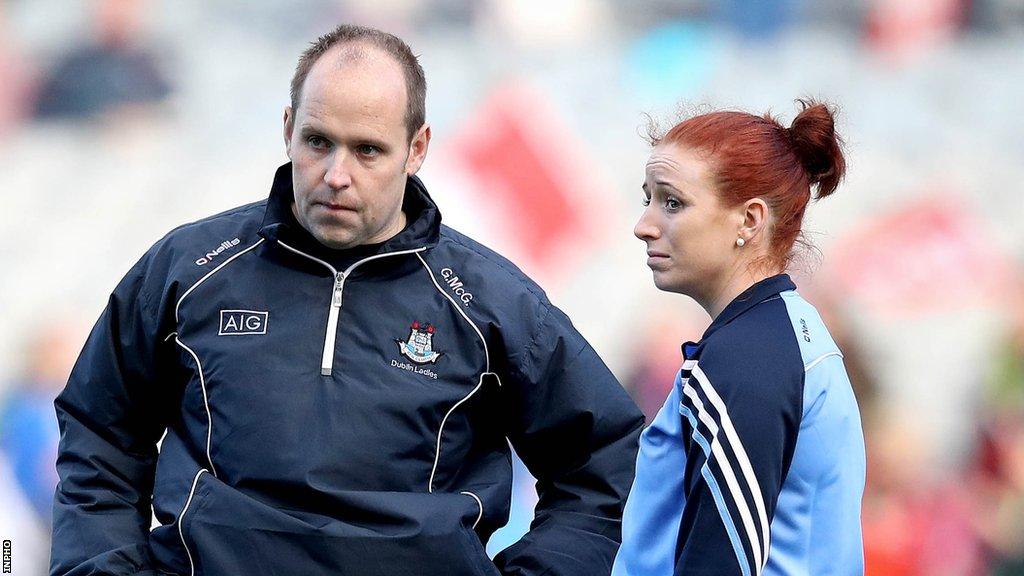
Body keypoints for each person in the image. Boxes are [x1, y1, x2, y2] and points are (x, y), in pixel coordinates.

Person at [50, 24, 644, 576]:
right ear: (287, 128)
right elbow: (99, 435)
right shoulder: (188, 269)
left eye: (367, 150)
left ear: (417, 149)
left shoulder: (492, 302)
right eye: (317, 142)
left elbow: (602, 466)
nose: (336, 173)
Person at [613, 101, 866, 576]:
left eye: (672, 202)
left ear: (749, 221)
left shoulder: (747, 360)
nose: (644, 225)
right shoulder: (781, 335)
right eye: (646, 198)